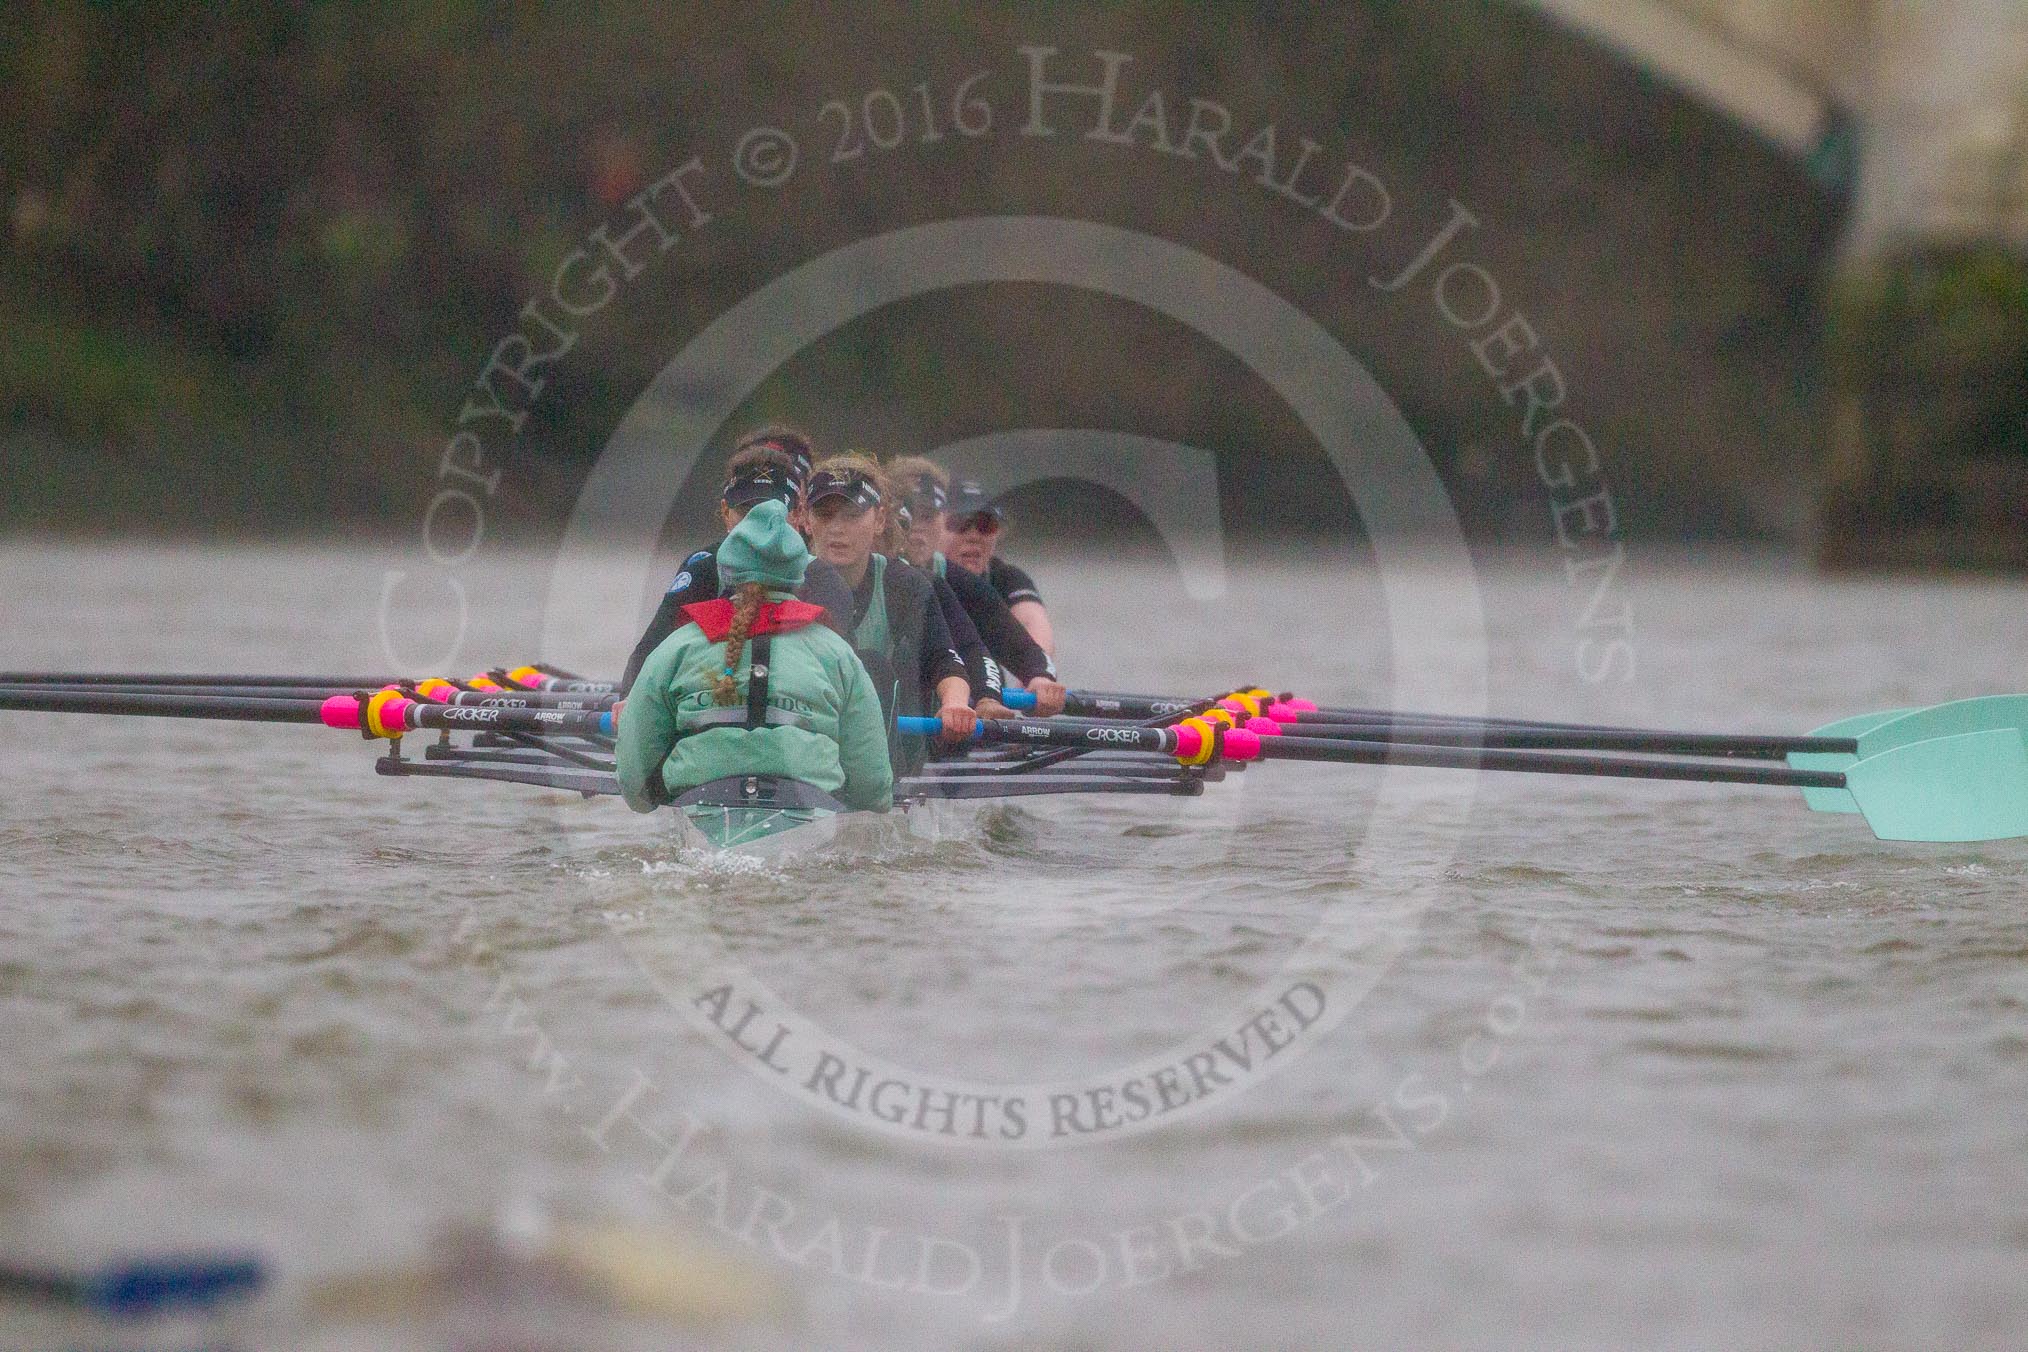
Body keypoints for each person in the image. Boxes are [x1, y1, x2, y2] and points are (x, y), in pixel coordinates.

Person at [615, 500, 893, 815]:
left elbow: (631, 776)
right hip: (811, 812)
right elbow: (873, 788)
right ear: (799, 577)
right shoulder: (838, 652)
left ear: (726, 572)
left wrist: (654, 799)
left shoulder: (677, 646)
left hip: (699, 810)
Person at [619, 428, 852, 695]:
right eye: (748, 511)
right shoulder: (703, 567)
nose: (758, 524)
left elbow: (844, 682)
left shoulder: (822, 576)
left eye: (771, 510)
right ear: (725, 514)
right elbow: (644, 661)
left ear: (799, 512)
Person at [804, 454, 982, 763]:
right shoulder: (782, 582)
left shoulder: (905, 585)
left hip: (887, 747)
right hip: (805, 739)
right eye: (825, 514)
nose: (836, 528)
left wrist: (954, 705)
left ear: (880, 520)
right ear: (806, 520)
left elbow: (945, 661)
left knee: (875, 668)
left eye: (851, 514)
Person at [891, 457, 1067, 718]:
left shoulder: (951, 580)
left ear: (940, 521)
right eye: (907, 516)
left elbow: (992, 641)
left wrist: (1038, 677)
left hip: (941, 713)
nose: (917, 529)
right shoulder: (844, 572)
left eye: (928, 517)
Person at [938, 479, 1056, 661]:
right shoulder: (915, 573)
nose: (974, 536)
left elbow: (1031, 621)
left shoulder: (1006, 577)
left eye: (986, 525)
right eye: (960, 523)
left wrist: (1040, 670)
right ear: (934, 526)